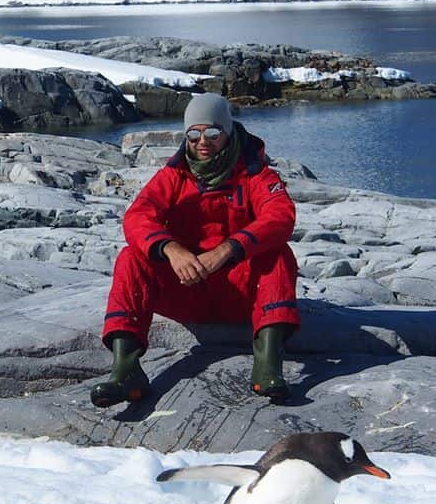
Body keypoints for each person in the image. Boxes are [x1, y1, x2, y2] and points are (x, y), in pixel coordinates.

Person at [90, 93, 300, 408]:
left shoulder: (256, 173)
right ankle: (126, 369)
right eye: (194, 133)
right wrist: (171, 249)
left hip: (241, 295)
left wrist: (230, 248)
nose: (203, 142)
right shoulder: (174, 175)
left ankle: (268, 365)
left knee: (278, 255)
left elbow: (280, 216)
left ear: (228, 133)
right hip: (186, 288)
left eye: (213, 133)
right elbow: (137, 217)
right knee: (131, 258)